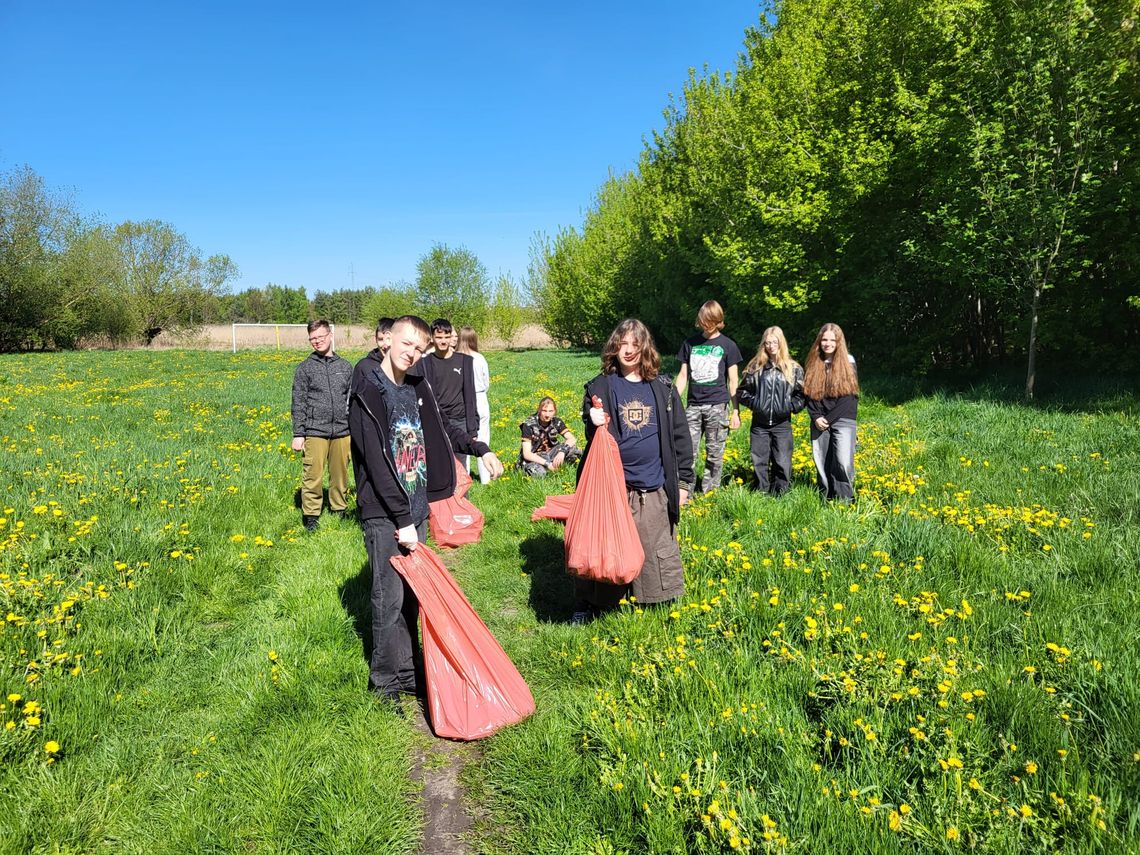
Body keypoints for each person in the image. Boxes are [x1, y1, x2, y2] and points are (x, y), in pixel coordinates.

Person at [348, 315, 505, 708]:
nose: (412, 354)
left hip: (416, 508)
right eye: (407, 344)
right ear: (387, 340)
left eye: (419, 349)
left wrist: (480, 448)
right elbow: (377, 463)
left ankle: (408, 672)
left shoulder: (418, 385)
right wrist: (402, 520)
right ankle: (384, 684)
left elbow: (444, 428)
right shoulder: (369, 389)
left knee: (412, 598)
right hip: (387, 513)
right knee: (388, 598)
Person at [574, 319, 693, 623]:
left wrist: (684, 483)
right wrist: (592, 417)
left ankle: (651, 598)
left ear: (645, 348)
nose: (627, 351)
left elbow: (680, 436)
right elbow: (591, 434)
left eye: (634, 345)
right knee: (608, 549)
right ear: (613, 348)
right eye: (621, 344)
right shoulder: (600, 386)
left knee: (653, 544)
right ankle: (597, 602)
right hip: (614, 487)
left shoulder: (663, 388)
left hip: (653, 485)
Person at [291, 319, 353, 531]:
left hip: (343, 431)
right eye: (313, 339)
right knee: (312, 475)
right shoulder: (305, 369)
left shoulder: (345, 367)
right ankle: (311, 516)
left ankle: (339, 509)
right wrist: (298, 433)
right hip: (315, 430)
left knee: (340, 474)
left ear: (330, 335)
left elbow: (351, 400)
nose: (317, 341)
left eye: (321, 337)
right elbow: (298, 402)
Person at [674, 300, 742, 493]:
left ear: (718, 320)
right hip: (693, 407)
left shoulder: (729, 346)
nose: (705, 325)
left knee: (714, 453)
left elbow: (733, 381)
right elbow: (682, 376)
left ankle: (709, 493)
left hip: (718, 407)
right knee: (687, 452)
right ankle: (684, 492)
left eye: (709, 321)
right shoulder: (690, 344)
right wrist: (672, 402)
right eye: (703, 320)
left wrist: (736, 411)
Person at [737, 326, 805, 495]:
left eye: (774, 342)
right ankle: (762, 493)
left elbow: (803, 395)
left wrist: (789, 407)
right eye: (767, 343)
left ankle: (781, 494)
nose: (771, 346)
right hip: (759, 423)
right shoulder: (755, 367)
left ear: (781, 343)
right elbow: (742, 392)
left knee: (782, 461)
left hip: (782, 423)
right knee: (759, 460)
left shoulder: (794, 369)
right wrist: (757, 404)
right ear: (763, 344)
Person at [803, 323, 859, 501]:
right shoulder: (813, 362)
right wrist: (816, 416)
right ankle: (826, 498)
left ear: (839, 342)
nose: (827, 343)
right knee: (822, 461)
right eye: (824, 339)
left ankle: (845, 501)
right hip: (819, 419)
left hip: (843, 418)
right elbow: (809, 393)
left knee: (842, 461)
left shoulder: (848, 361)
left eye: (832, 340)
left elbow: (850, 395)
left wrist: (829, 418)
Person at [420, 319, 480, 462]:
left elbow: (470, 396)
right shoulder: (424, 363)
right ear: (432, 338)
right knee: (439, 463)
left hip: (460, 421)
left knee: (460, 464)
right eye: (439, 337)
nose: (443, 341)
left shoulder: (465, 361)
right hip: (437, 421)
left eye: (447, 337)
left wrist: (472, 429)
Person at [457, 326, 493, 484]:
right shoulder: (479, 358)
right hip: (480, 398)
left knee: (462, 438)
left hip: (461, 400)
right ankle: (485, 477)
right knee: (483, 437)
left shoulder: (455, 358)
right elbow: (486, 383)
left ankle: (463, 477)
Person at [518, 396, 582, 477]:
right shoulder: (529, 424)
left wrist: (562, 451)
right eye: (544, 411)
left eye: (550, 411)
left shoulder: (556, 421)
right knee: (540, 474)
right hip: (535, 457)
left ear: (555, 411)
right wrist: (547, 464)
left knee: (575, 450)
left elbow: (572, 438)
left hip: (551, 453)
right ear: (539, 410)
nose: (547, 415)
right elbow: (526, 454)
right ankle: (551, 467)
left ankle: (565, 465)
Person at [352, 317, 394, 392]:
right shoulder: (364, 367)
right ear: (375, 339)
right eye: (381, 339)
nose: (385, 345)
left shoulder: (405, 366)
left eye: (388, 339)